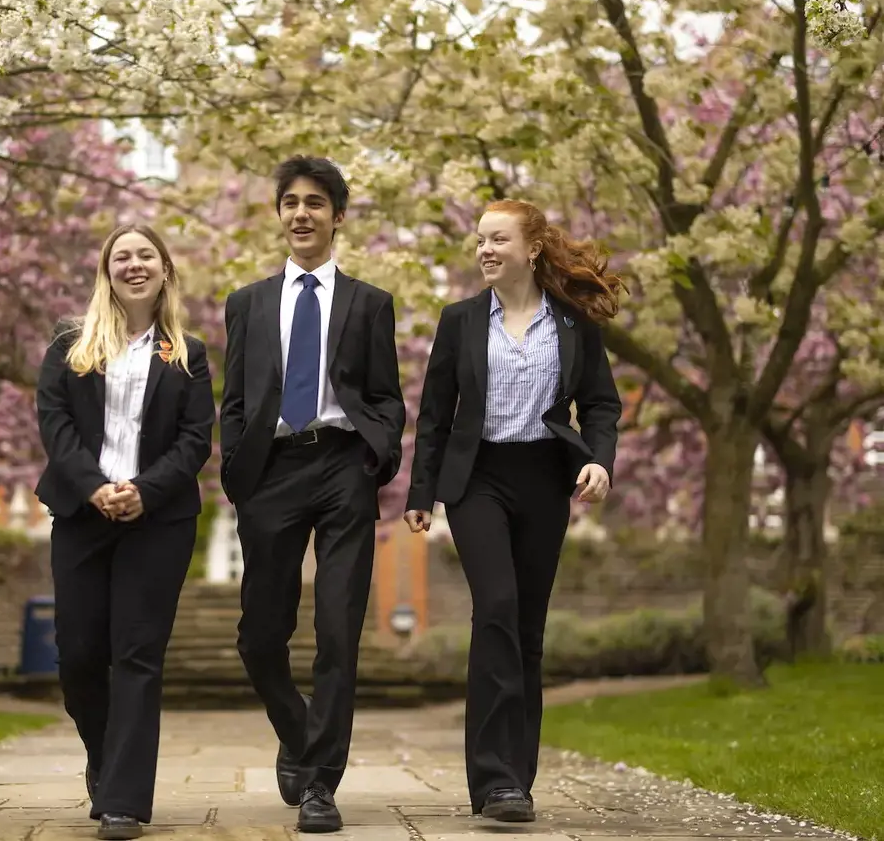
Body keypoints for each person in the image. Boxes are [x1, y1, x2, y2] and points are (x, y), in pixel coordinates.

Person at [402, 199, 623, 823]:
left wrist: (600, 460)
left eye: (498, 239)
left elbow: (602, 405)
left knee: (526, 628)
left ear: (531, 248)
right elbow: (436, 415)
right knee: (495, 607)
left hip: (545, 480)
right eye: (479, 241)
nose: (484, 250)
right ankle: (494, 779)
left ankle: (514, 782)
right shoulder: (462, 321)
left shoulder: (575, 324)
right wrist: (422, 494)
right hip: (478, 480)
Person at [220, 156, 406, 834]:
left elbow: (386, 397)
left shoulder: (370, 303)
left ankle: (321, 783)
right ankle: (298, 732)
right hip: (269, 473)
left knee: (336, 631)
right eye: (291, 203)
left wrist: (372, 457)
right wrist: (238, 468)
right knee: (258, 637)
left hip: (340, 470)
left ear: (338, 217)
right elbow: (234, 397)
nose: (302, 214)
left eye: (316, 204)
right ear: (279, 214)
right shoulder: (247, 303)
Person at [35, 224, 214, 841]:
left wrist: (145, 490)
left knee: (137, 655)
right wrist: (94, 487)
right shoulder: (70, 345)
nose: (133, 265)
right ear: (106, 272)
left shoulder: (185, 352)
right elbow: (54, 425)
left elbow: (196, 439)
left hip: (157, 522)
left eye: (145, 255)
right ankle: (106, 757)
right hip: (82, 515)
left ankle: (124, 801)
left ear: (165, 269)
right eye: (121, 257)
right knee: (80, 654)